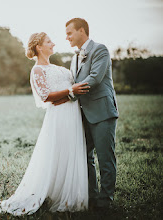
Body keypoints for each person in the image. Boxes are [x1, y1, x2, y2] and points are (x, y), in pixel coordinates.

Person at [0, 32, 90, 216]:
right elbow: (46, 96)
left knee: (71, 152)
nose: (53, 43)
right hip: (59, 117)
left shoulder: (59, 67)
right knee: (57, 153)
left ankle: (67, 195)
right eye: (48, 41)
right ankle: (56, 197)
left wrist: (71, 93)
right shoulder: (37, 70)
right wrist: (70, 91)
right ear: (39, 46)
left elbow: (71, 90)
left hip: (73, 114)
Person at [60, 18, 119, 211]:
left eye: (69, 33)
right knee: (84, 156)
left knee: (105, 158)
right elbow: (72, 80)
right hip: (82, 114)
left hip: (102, 112)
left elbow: (95, 78)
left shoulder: (100, 50)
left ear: (82, 31)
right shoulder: (74, 57)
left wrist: (71, 92)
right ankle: (92, 197)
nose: (66, 36)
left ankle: (105, 201)